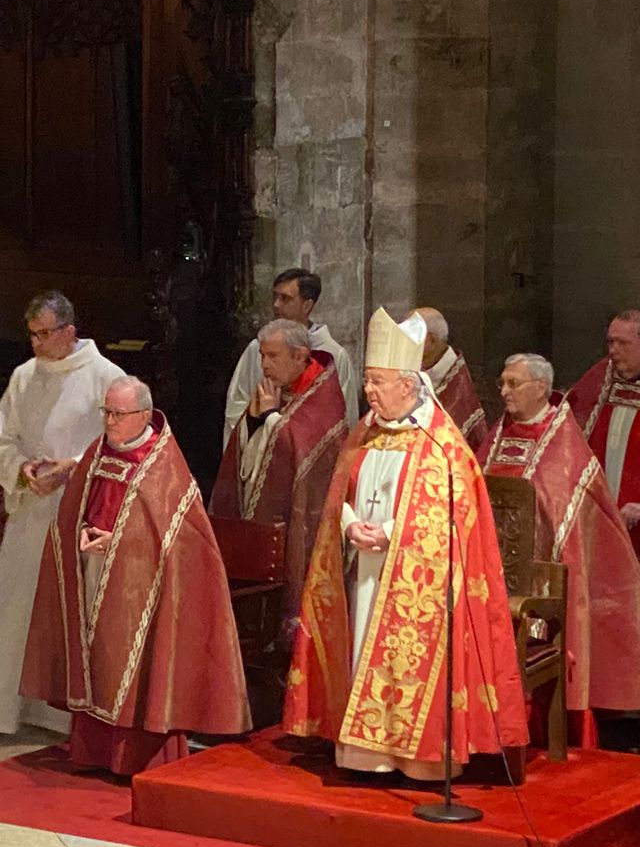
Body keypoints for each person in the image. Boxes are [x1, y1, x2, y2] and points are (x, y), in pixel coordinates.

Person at [285, 309, 527, 779]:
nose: (368, 390)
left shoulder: (441, 443)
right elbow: (341, 496)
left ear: (409, 385)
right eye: (368, 380)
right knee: (361, 651)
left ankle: (420, 763)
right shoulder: (365, 432)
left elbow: (453, 514)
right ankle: (364, 755)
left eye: (378, 381)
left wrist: (392, 533)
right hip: (364, 569)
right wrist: (350, 525)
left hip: (421, 582)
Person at [22, 379, 248, 774]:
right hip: (92, 570)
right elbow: (76, 508)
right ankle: (93, 752)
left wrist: (119, 543)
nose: (109, 421)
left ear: (144, 415)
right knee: (96, 659)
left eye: (118, 414)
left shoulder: (163, 464)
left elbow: (182, 539)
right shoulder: (98, 451)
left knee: (132, 666)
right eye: (106, 412)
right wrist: (82, 533)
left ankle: (133, 757)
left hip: (142, 588)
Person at [0, 291, 125, 736]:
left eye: (46, 334)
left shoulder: (107, 377)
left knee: (66, 611)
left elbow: (121, 443)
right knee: (13, 609)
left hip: (77, 510)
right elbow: (1, 437)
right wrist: (21, 468)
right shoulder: (23, 376)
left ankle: (61, 715)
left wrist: (71, 467)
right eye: (32, 334)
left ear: (70, 331)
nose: (37, 343)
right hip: (31, 509)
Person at [483, 353, 640, 731]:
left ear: (541, 388)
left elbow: (566, 523)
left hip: (538, 584)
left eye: (513, 384)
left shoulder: (564, 444)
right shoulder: (497, 434)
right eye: (502, 383)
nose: (503, 392)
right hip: (487, 573)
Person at [210, 317, 351, 623]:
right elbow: (247, 447)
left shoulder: (324, 396)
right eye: (262, 355)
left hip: (299, 519)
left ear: (300, 356)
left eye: (272, 356)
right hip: (261, 527)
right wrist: (254, 420)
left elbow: (306, 453)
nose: (264, 364)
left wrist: (271, 418)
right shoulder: (272, 390)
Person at [223, 268, 359, 437]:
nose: (276, 305)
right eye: (275, 297)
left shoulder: (333, 355)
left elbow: (345, 415)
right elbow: (237, 403)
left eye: (285, 298)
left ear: (307, 305)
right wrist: (254, 424)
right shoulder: (257, 348)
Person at [567, 309, 640, 554]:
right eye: (610, 342)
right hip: (600, 527)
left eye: (623, 343)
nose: (613, 350)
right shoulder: (597, 384)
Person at [417, 306, 488, 449]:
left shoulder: (476, 381)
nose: (403, 344)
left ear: (431, 340)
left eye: (410, 336)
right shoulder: (407, 371)